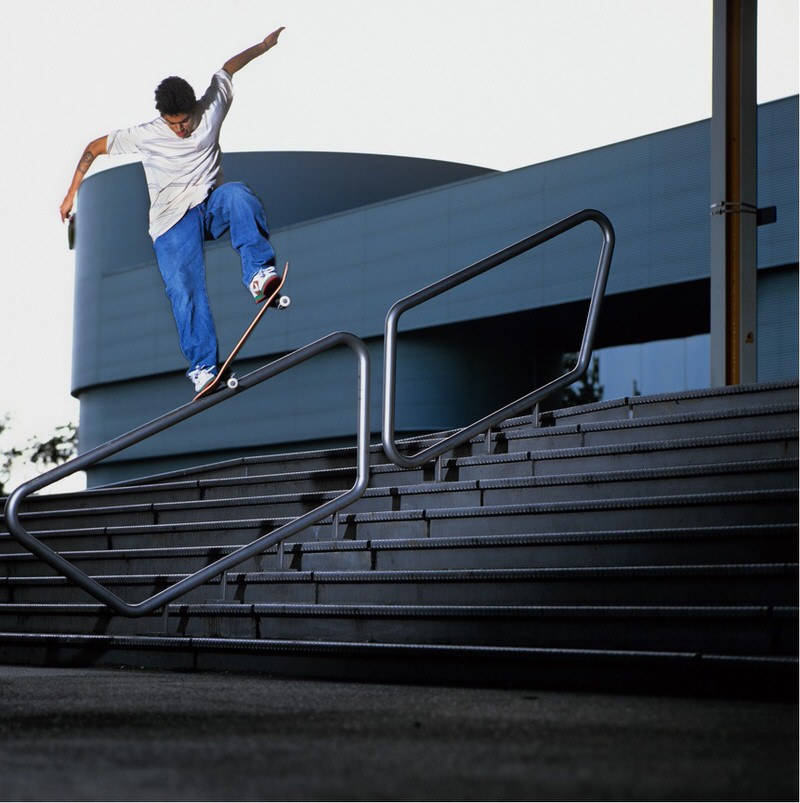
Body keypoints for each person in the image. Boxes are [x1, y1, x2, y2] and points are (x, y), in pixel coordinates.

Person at [60, 27, 286, 394]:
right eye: (174, 124)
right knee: (184, 287)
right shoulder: (147, 133)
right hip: (171, 222)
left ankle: (259, 274)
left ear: (195, 108)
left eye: (186, 121)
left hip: (209, 208)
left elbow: (229, 67)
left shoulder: (212, 106)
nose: (181, 129)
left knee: (238, 195)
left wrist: (263, 46)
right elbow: (94, 147)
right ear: (163, 117)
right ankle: (202, 367)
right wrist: (71, 194)